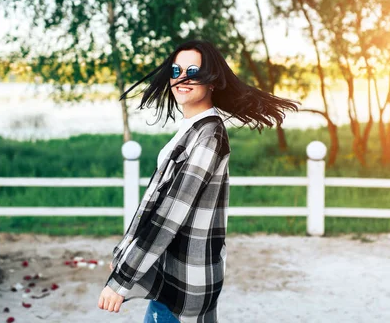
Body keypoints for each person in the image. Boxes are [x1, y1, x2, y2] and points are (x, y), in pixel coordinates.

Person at [97, 39, 299, 322]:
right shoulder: (193, 128)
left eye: (193, 71)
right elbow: (155, 202)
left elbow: (170, 214)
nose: (182, 78)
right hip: (172, 276)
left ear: (212, 81)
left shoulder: (209, 136)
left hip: (183, 284)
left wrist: (122, 279)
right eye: (176, 70)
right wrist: (125, 252)